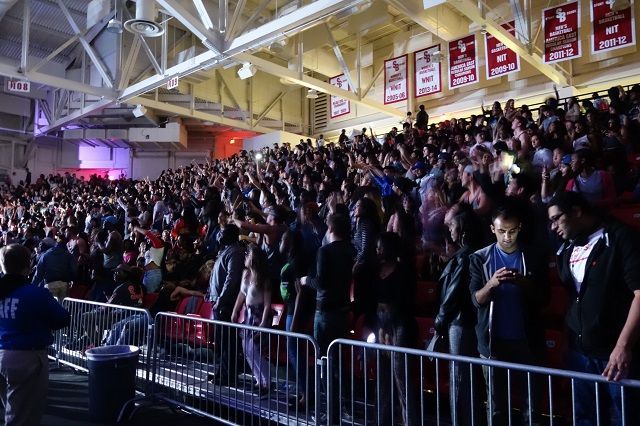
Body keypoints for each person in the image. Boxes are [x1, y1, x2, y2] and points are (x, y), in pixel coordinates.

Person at [548, 192, 640, 425]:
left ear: (577, 212)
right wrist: (567, 342)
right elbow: (574, 298)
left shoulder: (621, 237)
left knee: (624, 417)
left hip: (614, 356)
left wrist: (623, 347)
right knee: (585, 418)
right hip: (580, 354)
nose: (553, 227)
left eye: (557, 218)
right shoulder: (567, 247)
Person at [469, 201, 549, 426]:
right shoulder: (479, 258)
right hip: (493, 343)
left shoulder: (533, 256)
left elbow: (545, 299)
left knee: (531, 406)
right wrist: (492, 284)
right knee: (496, 407)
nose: (507, 237)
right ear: (493, 229)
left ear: (520, 228)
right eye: (502, 231)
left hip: (528, 341)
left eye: (512, 231)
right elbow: (475, 300)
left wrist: (524, 283)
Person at [0, 244, 70, 426]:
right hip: (26, 357)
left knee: (11, 409)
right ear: (27, 266)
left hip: (2, 353)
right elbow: (62, 318)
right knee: (22, 417)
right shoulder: (35, 294)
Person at [302, 213, 355, 424]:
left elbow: (321, 282)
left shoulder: (325, 251)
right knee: (339, 364)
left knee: (324, 363)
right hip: (342, 311)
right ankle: (344, 407)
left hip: (324, 312)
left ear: (330, 229)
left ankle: (331, 412)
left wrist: (306, 280)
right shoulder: (351, 250)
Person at [435, 205, 484, 426]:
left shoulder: (465, 257)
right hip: (466, 322)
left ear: (462, 228)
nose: (450, 229)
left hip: (460, 323)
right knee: (466, 381)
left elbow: (452, 295)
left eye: (453, 225)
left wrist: (440, 320)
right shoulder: (469, 253)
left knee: (460, 380)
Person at [375, 232, 418, 426]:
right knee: (383, 377)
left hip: (400, 326)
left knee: (401, 378)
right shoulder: (375, 271)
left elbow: (403, 303)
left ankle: (408, 420)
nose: (377, 251)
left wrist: (388, 322)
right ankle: (383, 419)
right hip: (381, 325)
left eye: (380, 247)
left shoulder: (404, 272)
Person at [231, 244, 273, 396]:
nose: (245, 257)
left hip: (259, 314)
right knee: (246, 348)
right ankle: (258, 379)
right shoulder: (245, 274)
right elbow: (241, 294)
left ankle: (266, 382)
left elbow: (268, 304)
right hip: (248, 314)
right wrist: (236, 310)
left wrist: (263, 323)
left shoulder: (264, 278)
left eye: (247, 255)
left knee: (255, 349)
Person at [32, 228, 78, 300]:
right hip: (64, 285)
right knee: (61, 308)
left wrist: (32, 287)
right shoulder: (68, 255)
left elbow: (38, 274)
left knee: (49, 308)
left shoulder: (45, 255)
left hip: (50, 285)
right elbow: (74, 269)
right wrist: (70, 280)